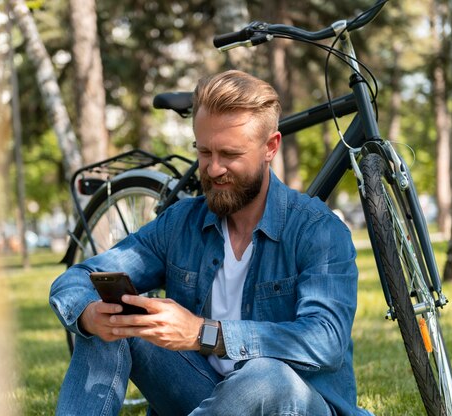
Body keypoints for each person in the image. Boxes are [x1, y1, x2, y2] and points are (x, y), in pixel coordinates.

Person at [50, 70, 372, 416]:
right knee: (113, 319)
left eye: (229, 154)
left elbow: (325, 341)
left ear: (270, 147)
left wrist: (203, 334)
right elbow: (76, 279)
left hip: (293, 405)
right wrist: (88, 315)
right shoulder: (180, 223)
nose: (214, 169)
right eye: (204, 152)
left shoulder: (318, 230)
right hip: (203, 396)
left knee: (266, 376)